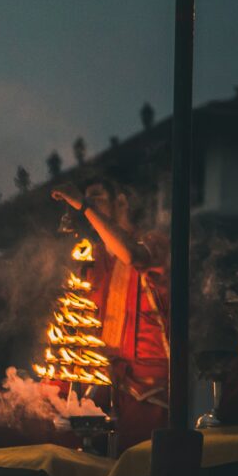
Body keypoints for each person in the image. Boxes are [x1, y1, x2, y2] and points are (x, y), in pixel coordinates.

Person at [52, 179, 170, 453]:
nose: (88, 206)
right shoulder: (95, 255)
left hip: (147, 389)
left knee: (140, 466)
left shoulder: (154, 243)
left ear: (121, 203)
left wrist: (83, 205)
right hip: (104, 381)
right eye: (88, 199)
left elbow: (131, 254)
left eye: (97, 197)